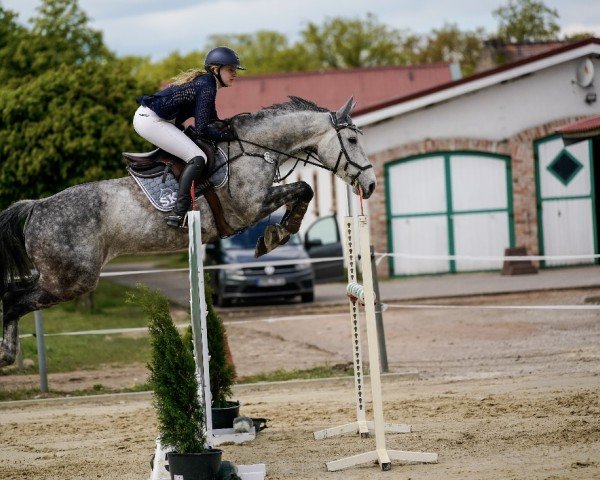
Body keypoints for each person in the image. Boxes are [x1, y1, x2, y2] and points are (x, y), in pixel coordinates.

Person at [133, 46, 244, 228]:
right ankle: (179, 212)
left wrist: (231, 128)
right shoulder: (207, 84)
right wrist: (225, 135)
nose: (235, 74)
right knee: (197, 158)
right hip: (150, 120)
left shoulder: (208, 83)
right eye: (230, 69)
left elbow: (212, 119)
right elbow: (201, 129)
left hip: (157, 119)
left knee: (194, 152)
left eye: (235, 70)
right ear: (216, 70)